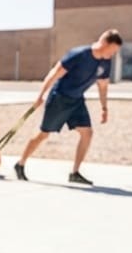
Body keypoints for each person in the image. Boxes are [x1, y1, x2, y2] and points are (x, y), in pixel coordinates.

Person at [13, 30, 123, 185]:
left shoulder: (106, 61)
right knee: (43, 135)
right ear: (104, 43)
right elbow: (54, 73)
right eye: (112, 51)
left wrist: (104, 108)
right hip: (60, 98)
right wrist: (40, 96)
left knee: (87, 133)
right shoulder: (78, 54)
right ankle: (20, 163)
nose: (113, 55)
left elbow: (103, 85)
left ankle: (75, 173)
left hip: (77, 100)